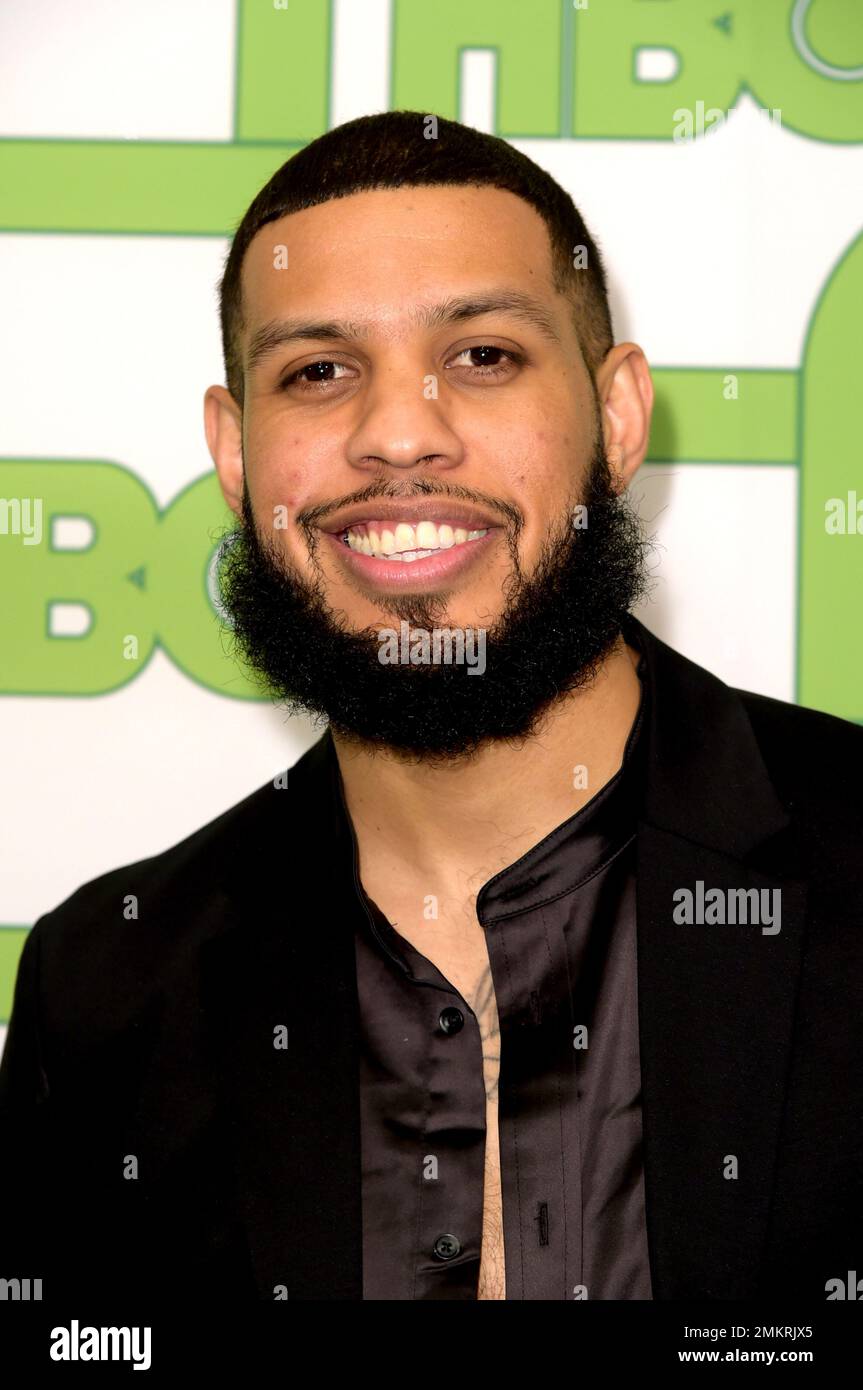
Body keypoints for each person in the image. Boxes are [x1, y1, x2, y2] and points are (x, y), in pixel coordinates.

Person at [1, 111, 861, 1303]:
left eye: (482, 356)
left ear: (617, 418)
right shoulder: (105, 989)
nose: (398, 432)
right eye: (317, 373)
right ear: (237, 453)